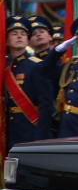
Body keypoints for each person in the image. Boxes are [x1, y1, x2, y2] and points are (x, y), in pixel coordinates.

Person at [5, 16, 53, 146]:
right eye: (14, 34)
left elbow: (46, 103)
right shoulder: (5, 67)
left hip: (30, 129)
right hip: (9, 130)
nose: (19, 37)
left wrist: (40, 134)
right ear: (7, 41)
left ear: (28, 40)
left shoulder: (37, 66)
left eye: (23, 34)